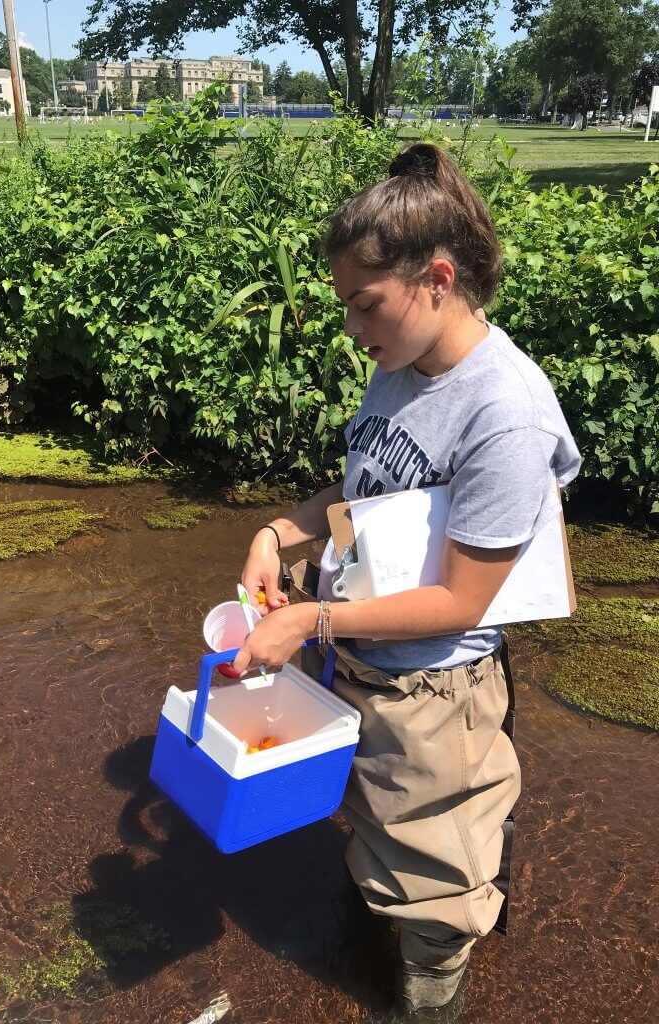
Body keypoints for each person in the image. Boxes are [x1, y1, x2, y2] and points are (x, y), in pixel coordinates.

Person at [233, 142, 580, 1021]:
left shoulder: (505, 412)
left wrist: (309, 619)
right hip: (359, 655)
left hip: (437, 689)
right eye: (346, 304)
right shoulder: (399, 366)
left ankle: (432, 990)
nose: (354, 329)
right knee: (376, 824)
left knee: (435, 879)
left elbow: (465, 600)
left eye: (365, 303)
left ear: (435, 276)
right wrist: (279, 532)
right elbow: (361, 489)